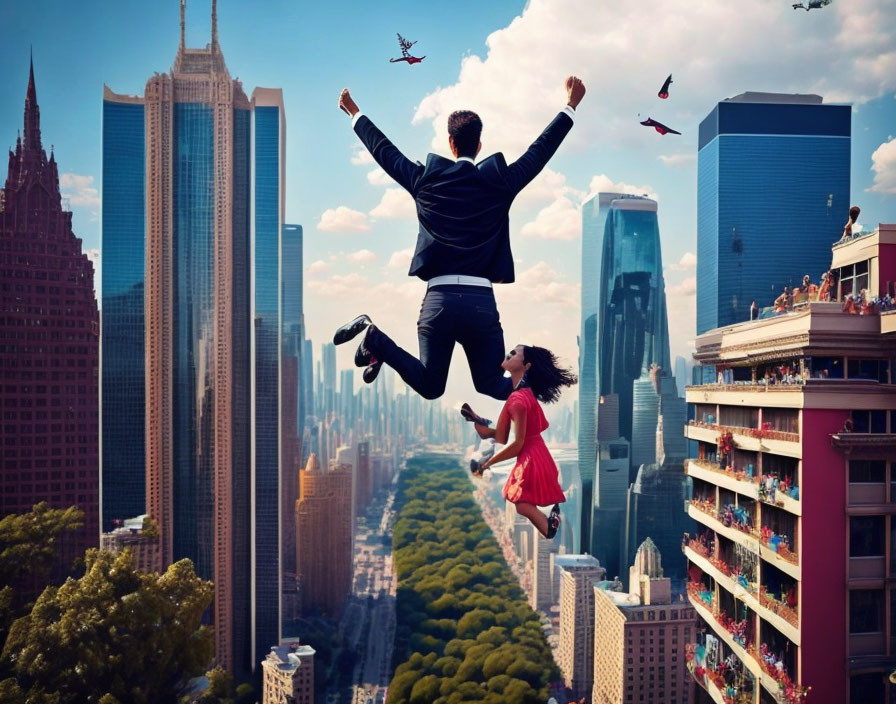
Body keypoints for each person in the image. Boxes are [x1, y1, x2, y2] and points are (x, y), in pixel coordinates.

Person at [332, 77, 586, 398]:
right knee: (493, 385)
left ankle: (375, 340)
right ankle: (376, 344)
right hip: (480, 304)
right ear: (479, 146)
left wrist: (355, 112)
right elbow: (539, 151)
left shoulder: (425, 180)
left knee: (431, 386)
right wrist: (570, 105)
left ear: (451, 144)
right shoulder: (500, 183)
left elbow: (385, 152)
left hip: (439, 302)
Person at [466, 344, 576, 538]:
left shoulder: (518, 400)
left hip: (532, 458)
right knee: (522, 504)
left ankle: (550, 523)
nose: (509, 353)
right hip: (536, 454)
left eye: (515, 353)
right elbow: (501, 436)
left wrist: (487, 464)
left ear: (526, 366)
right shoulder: (520, 396)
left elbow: (518, 443)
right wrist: (481, 426)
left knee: (521, 504)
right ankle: (550, 522)